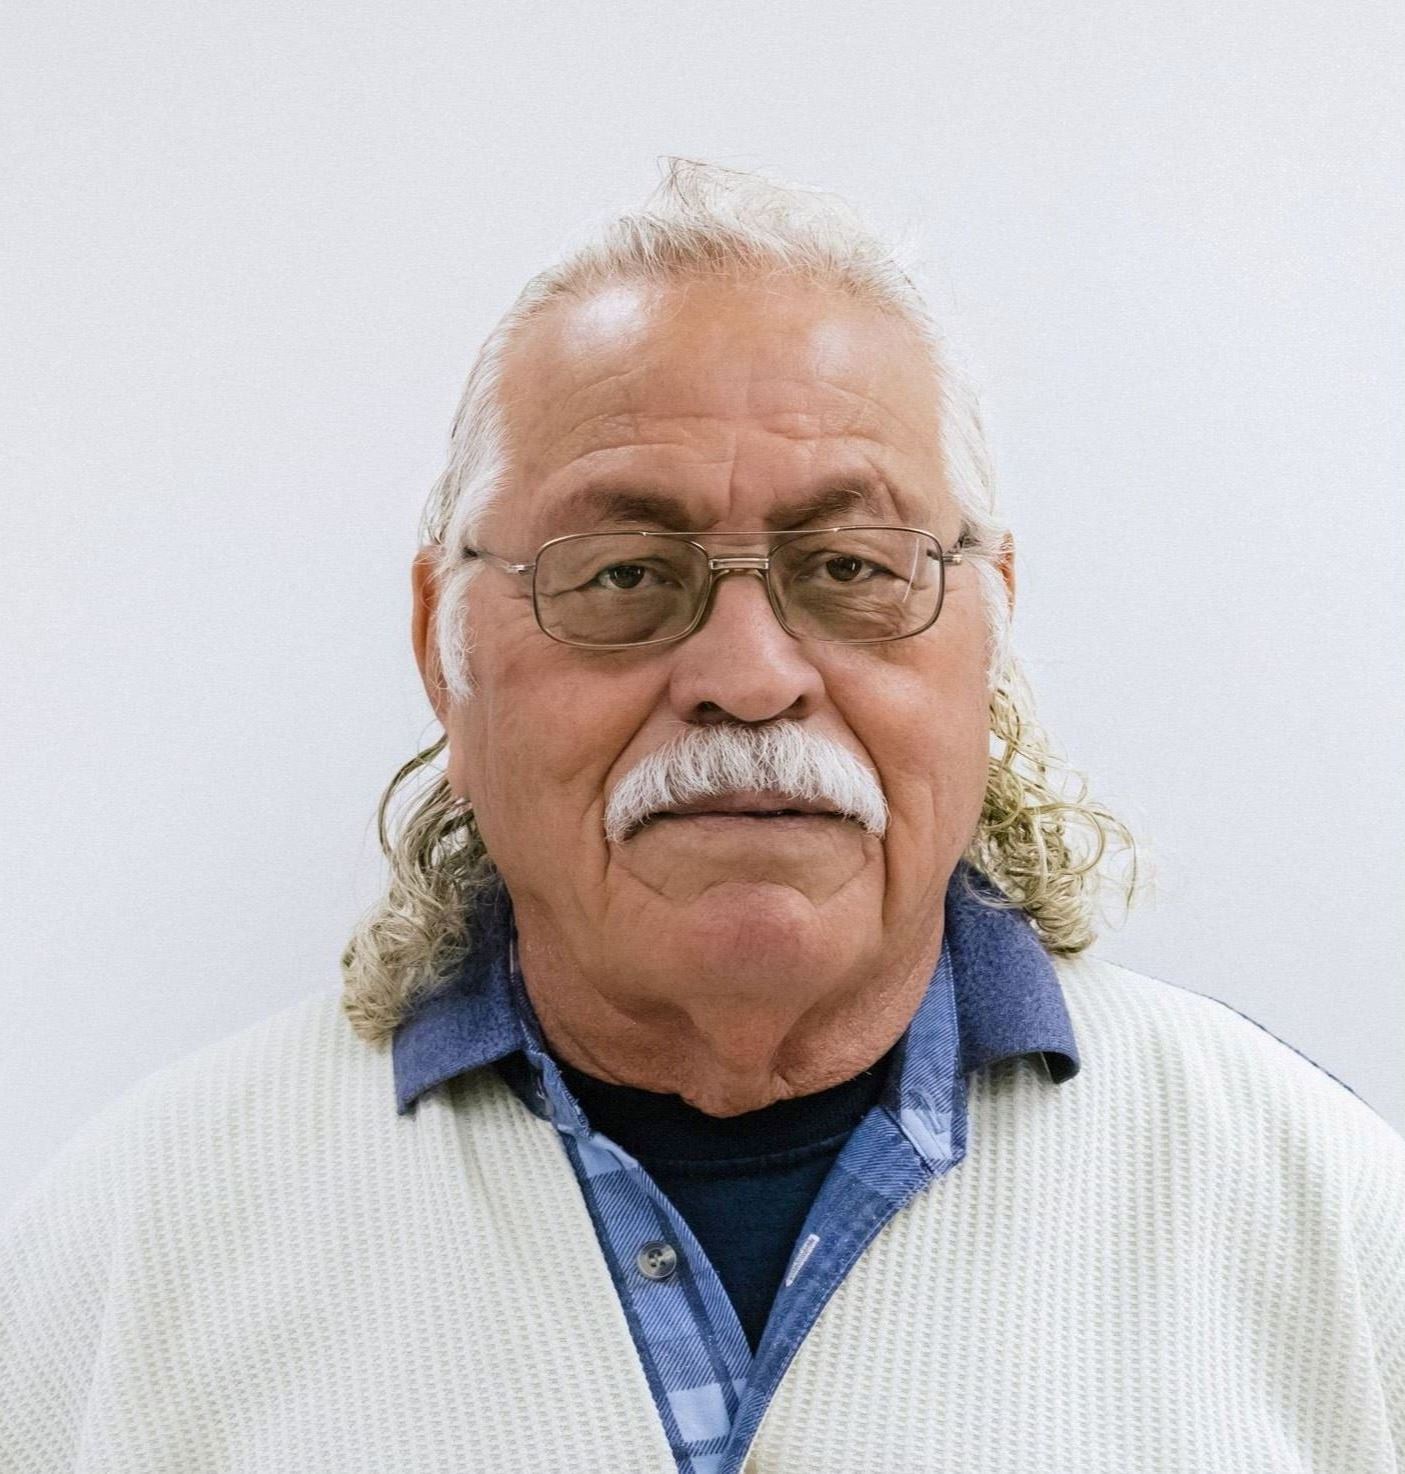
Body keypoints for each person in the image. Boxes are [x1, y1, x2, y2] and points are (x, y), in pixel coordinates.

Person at [3, 160, 1402, 1474]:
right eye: (623, 574)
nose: (747, 675)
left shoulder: (1329, 1230)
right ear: (443, 644)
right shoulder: (123, 1260)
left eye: (849, 566)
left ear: (988, 633)